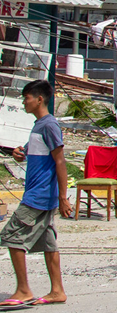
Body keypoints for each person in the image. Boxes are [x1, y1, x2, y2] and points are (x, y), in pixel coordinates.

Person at [0, 80, 70, 307]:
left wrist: (63, 197)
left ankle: (23, 290)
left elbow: (60, 161)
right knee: (48, 243)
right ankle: (57, 291)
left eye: (26, 98)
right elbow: (35, 153)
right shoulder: (39, 125)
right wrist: (20, 153)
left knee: (12, 237)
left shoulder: (49, 125)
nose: (23, 102)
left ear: (40, 99)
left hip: (39, 195)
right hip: (39, 194)